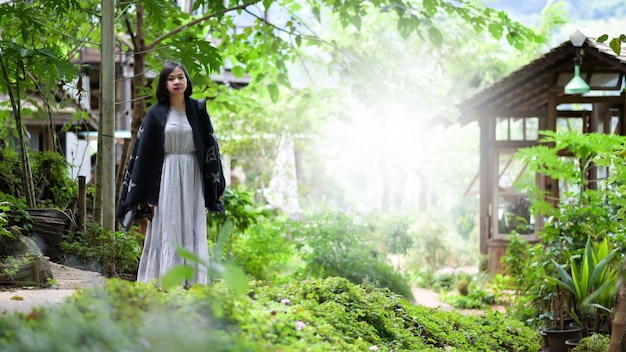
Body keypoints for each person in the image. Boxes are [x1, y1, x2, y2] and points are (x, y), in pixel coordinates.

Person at [115, 61, 225, 286]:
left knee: (191, 224)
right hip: (165, 177)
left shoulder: (199, 110)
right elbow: (143, 154)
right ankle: (164, 280)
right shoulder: (155, 114)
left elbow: (212, 149)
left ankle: (193, 282)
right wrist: (144, 193)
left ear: (187, 81)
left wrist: (217, 187)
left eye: (180, 77)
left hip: (192, 175)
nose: (177, 81)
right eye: (171, 78)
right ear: (164, 84)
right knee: (169, 225)